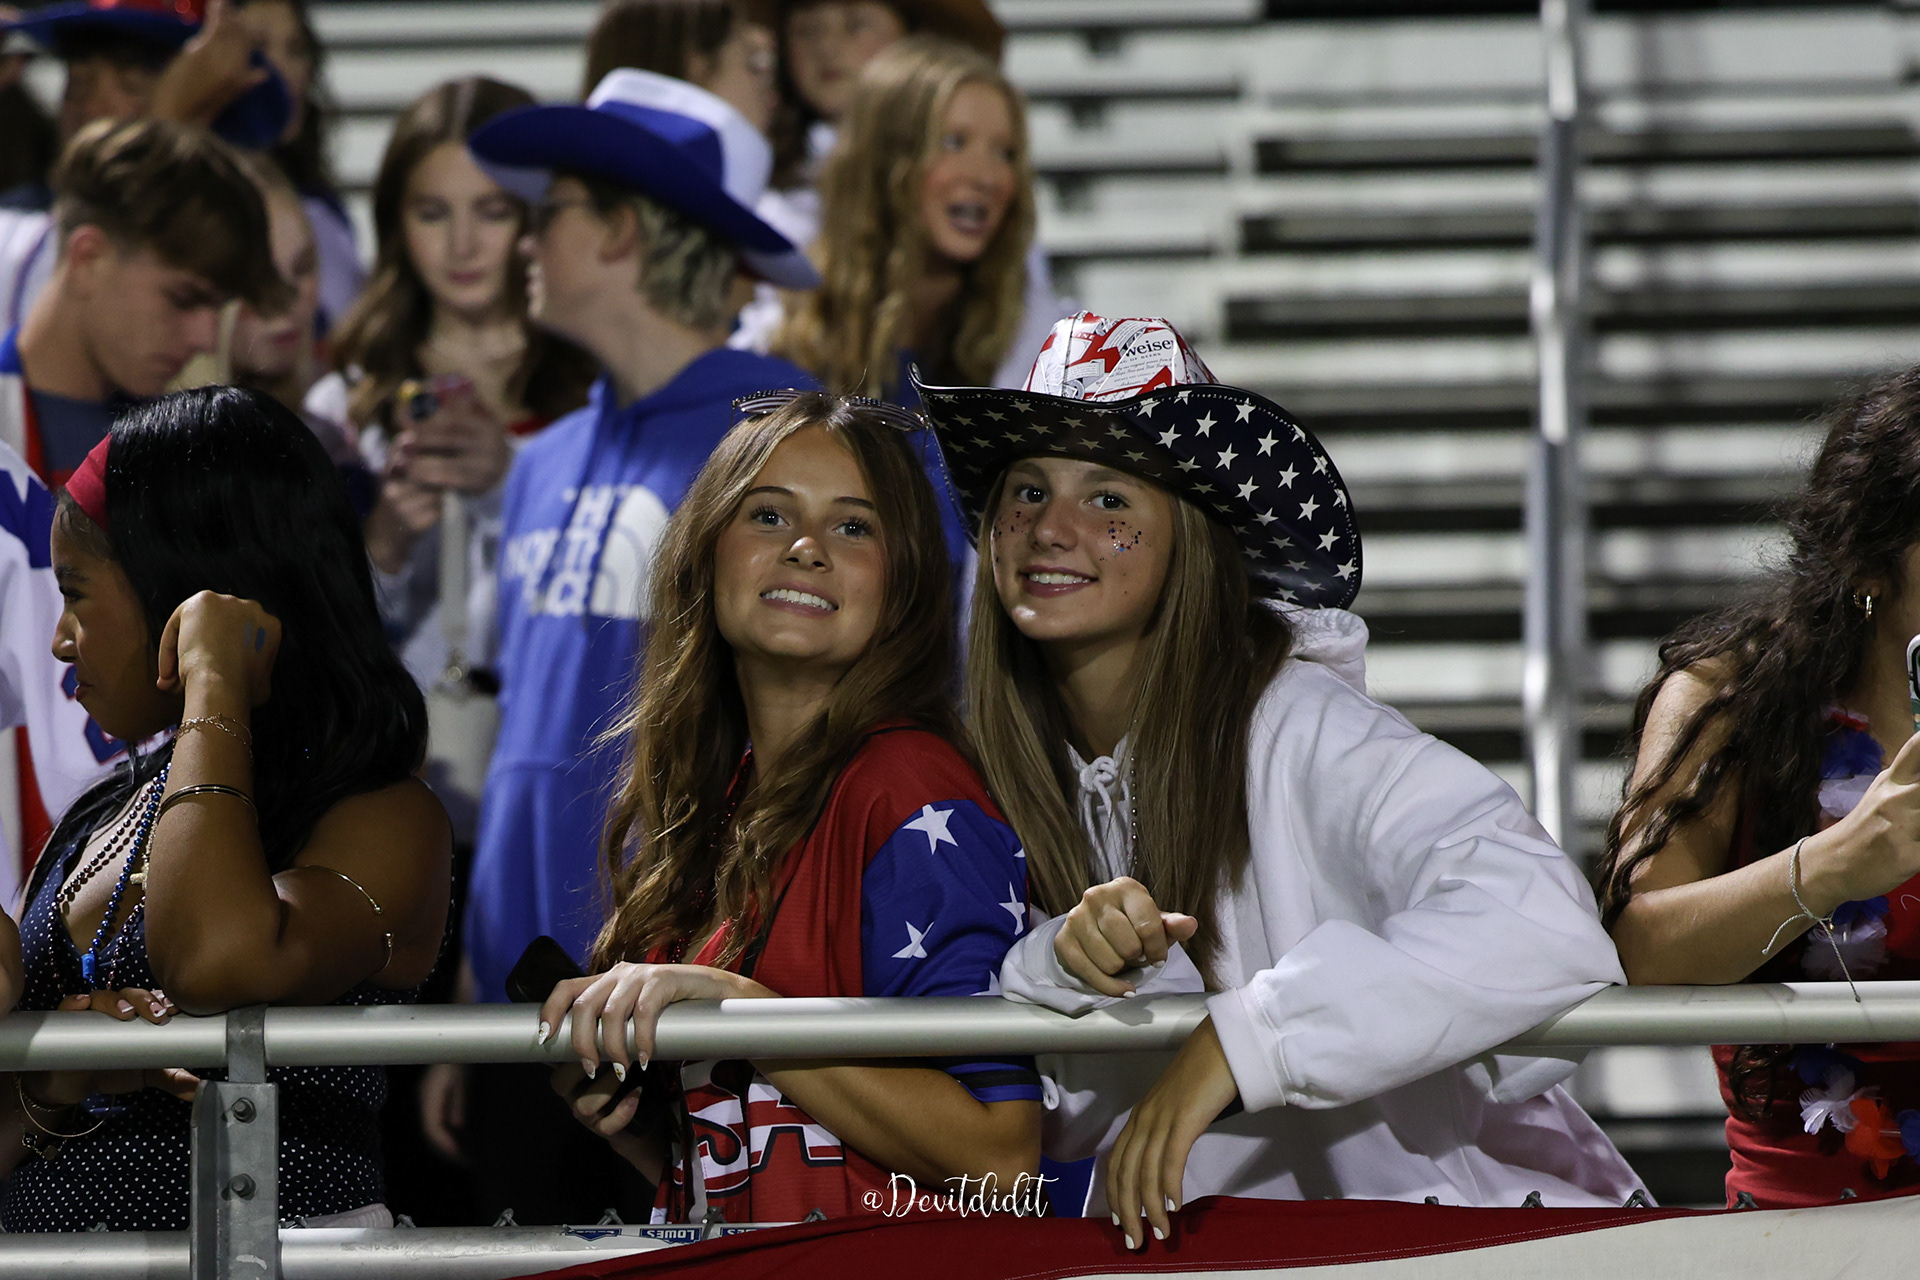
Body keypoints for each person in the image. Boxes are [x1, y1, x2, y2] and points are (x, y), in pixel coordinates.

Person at [914, 313, 1643, 1247]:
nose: (1052, 529)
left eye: (1109, 499)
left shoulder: (1299, 723)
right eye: (1028, 490)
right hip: (1217, 1252)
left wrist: (1245, 1040)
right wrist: (1060, 964)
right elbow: (1033, 1109)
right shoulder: (984, 766)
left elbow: (1539, 916)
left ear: (1189, 538)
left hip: (1447, 1248)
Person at [421, 67, 819, 1224]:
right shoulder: (541, 456)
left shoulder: (791, 436)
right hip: (525, 1001)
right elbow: (522, 738)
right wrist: (469, 1006)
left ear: (624, 231)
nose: (522, 240)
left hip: (693, 994)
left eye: (548, 211)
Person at [542, 392, 1040, 1223]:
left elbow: (1001, 1158)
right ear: (706, 554)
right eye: (768, 515)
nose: (806, 548)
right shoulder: (719, 800)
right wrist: (641, 1131)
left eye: (853, 526)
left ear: (905, 582)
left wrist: (739, 1010)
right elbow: (771, 1151)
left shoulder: (908, 785)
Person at [0, 385, 451, 1231]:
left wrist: (215, 681)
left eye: (76, 592)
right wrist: (54, 1082)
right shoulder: (98, 815)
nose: (59, 639)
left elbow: (217, 962)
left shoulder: (384, 814)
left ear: (185, 594)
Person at [1595, 367, 1920, 1208]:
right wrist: (1836, 865)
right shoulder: (1731, 702)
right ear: (1871, 565)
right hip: (1803, 1233)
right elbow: (1640, 950)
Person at [0, 114, 283, 888]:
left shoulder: (197, 460)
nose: (200, 336)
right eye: (184, 299)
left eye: (216, 310)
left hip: (148, 897)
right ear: (88, 256)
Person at [312, 77, 595, 699]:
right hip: (405, 734)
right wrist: (383, 543)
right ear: (395, 221)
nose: (462, 245)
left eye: (493, 212)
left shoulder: (599, 386)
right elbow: (314, 640)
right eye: (432, 213)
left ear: (537, 218)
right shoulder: (343, 405)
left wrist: (510, 486)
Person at [770, 36, 1050, 400]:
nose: (986, 177)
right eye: (953, 143)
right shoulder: (781, 324)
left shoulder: (1038, 345)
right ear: (885, 159)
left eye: (1005, 153)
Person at [0, 0, 297, 330]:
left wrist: (167, 129)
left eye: (132, 86)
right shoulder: (15, 224)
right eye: (79, 85)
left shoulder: (258, 232)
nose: (92, 110)